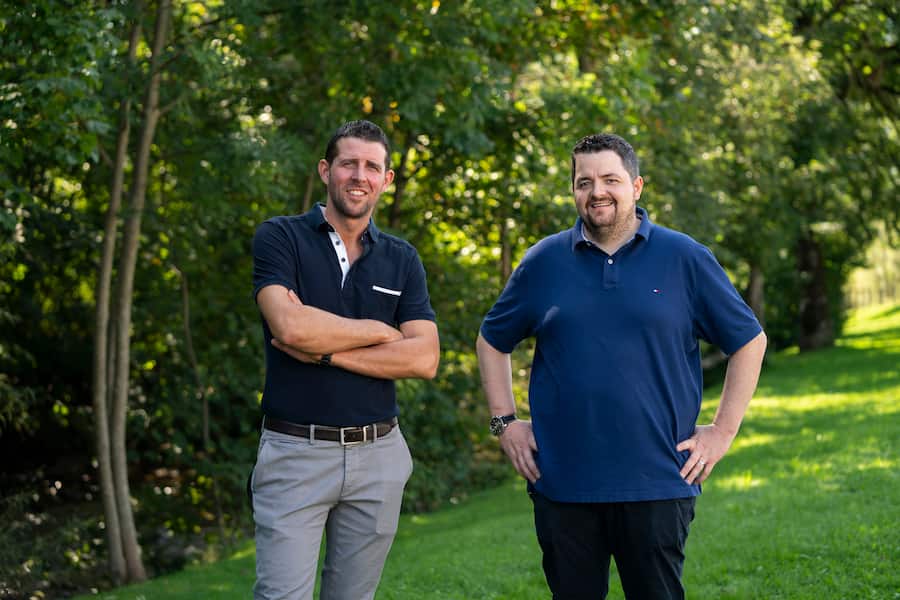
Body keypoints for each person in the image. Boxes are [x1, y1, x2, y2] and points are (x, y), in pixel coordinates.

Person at [476, 133, 766, 599]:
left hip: (658, 480)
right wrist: (504, 422)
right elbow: (492, 340)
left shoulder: (684, 258)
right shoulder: (544, 262)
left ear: (637, 186)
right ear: (573, 190)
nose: (597, 192)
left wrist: (723, 431)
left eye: (610, 179)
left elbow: (749, 340)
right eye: (584, 182)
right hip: (563, 486)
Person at [250, 119, 440, 600]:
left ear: (387, 179)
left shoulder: (402, 259)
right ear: (325, 170)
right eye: (348, 163)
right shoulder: (280, 238)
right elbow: (289, 328)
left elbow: (424, 358)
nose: (360, 175)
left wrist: (327, 351)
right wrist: (379, 333)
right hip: (296, 453)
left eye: (372, 167)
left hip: (379, 456)